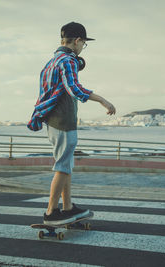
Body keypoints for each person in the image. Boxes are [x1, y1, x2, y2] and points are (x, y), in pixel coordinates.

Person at [27, 22, 116, 226]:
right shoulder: (67, 60)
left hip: (53, 120)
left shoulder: (51, 62)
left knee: (65, 165)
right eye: (83, 43)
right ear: (77, 41)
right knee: (62, 166)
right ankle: (51, 213)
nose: (83, 47)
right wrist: (103, 100)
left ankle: (67, 207)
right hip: (63, 121)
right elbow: (74, 88)